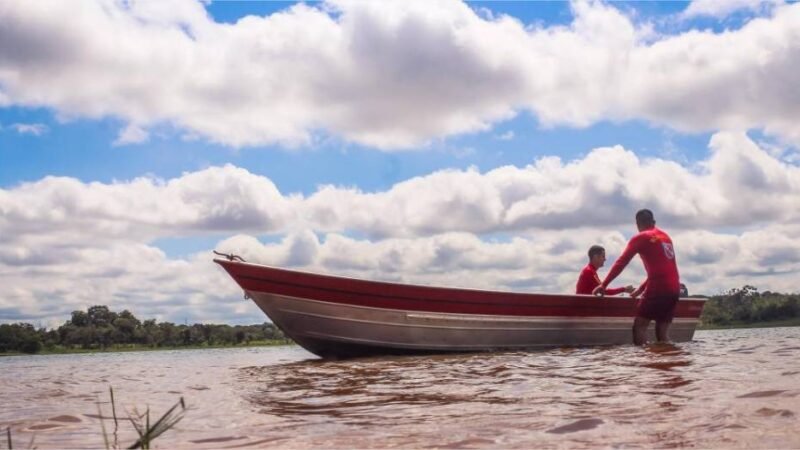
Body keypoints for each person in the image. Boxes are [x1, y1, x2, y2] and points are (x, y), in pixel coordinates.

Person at [592, 209, 680, 345]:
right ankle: (671, 357)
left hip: (659, 287)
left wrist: (604, 285)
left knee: (639, 326)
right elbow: (664, 269)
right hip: (674, 289)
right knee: (662, 332)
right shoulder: (666, 237)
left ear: (637, 224)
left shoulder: (641, 237)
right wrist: (641, 289)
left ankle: (643, 358)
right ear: (654, 222)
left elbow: (622, 262)